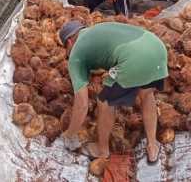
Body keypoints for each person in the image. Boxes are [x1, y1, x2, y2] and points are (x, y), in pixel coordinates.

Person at [59, 20, 168, 163]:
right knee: (146, 94)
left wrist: (70, 134)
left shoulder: (76, 53)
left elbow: (82, 105)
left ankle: (102, 150)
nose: (68, 54)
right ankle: (152, 147)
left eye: (65, 49)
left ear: (69, 42)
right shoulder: (96, 30)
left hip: (135, 58)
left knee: (104, 101)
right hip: (157, 47)